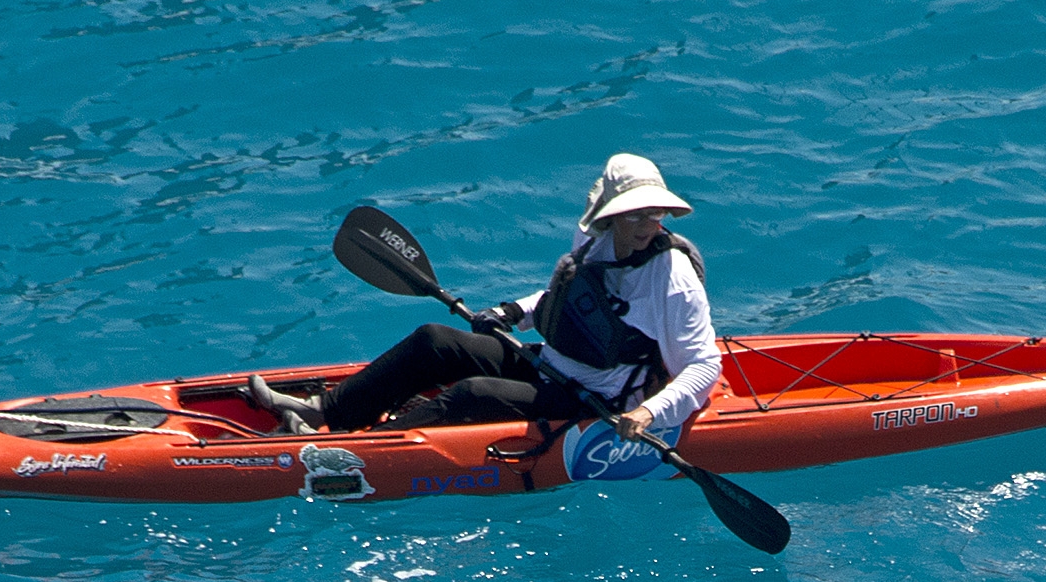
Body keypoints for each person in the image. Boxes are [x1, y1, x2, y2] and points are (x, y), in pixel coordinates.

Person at [244, 152, 723, 440]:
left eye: (655, 214)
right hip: (550, 364)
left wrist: (647, 412)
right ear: (610, 217)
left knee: (474, 394)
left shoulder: (672, 279)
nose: (648, 225)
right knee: (435, 339)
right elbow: (571, 300)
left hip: (595, 398)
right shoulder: (595, 244)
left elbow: (703, 367)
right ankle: (327, 411)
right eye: (636, 215)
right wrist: (513, 312)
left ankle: (352, 450)